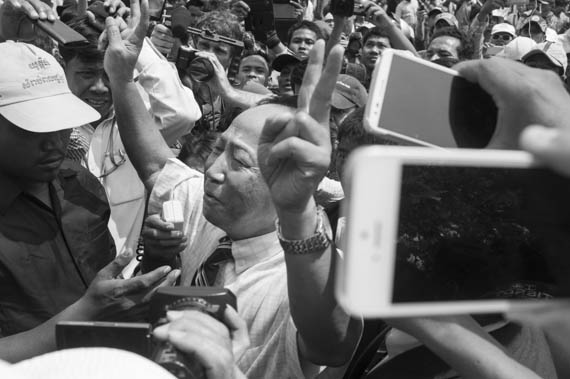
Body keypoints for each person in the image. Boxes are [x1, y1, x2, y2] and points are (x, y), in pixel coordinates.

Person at [103, 2, 362, 376]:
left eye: (239, 161)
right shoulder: (208, 205)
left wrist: (296, 212)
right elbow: (157, 164)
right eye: (220, 148)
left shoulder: (307, 273)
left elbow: (331, 344)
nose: (213, 170)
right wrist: (122, 78)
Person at [0, 0, 179, 362]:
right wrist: (82, 317)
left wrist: (155, 261)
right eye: (33, 124)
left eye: (61, 120)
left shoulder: (82, 187)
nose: (54, 140)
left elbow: (105, 293)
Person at [59, 14, 201, 276]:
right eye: (87, 74)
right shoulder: (44, 128)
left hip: (123, 287)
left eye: (107, 74)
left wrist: (135, 48)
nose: (101, 87)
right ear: (62, 66)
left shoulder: (133, 128)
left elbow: (182, 114)